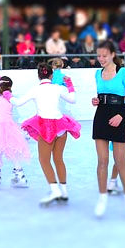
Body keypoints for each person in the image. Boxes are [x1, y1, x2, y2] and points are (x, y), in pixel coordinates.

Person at [16, 65, 80, 205]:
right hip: (61, 126)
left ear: (38, 76)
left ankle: (55, 190)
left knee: (44, 160)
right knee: (58, 159)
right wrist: (69, 83)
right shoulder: (57, 88)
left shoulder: (35, 90)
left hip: (47, 127)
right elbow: (73, 99)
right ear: (51, 75)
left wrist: (7, 94)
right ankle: (64, 191)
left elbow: (18, 103)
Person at [91, 40, 125, 218]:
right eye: (99, 55)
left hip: (119, 117)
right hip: (101, 117)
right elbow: (101, 95)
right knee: (102, 161)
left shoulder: (123, 72)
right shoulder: (97, 73)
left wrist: (122, 115)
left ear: (112, 54)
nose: (101, 58)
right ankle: (102, 199)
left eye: (104, 55)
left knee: (120, 161)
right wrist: (96, 100)